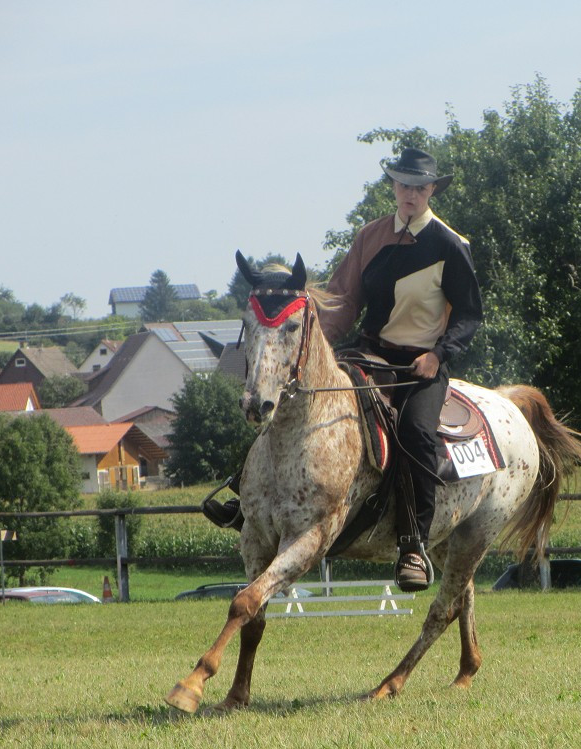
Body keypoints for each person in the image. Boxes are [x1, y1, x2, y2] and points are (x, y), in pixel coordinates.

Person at [204, 148, 482, 594]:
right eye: (403, 185)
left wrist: (439, 354)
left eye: (419, 187)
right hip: (368, 353)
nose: (410, 194)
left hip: (420, 367)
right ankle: (245, 498)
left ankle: (413, 543)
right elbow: (341, 300)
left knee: (415, 433)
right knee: (296, 400)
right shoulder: (369, 238)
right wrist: (320, 348)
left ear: (432, 190)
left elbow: (469, 314)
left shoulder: (451, 245)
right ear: (393, 187)